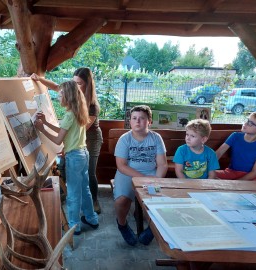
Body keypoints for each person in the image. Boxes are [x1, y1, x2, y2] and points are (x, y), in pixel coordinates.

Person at [31, 68, 103, 214]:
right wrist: (39, 79)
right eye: (74, 82)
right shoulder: (72, 103)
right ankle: (85, 208)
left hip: (90, 138)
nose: (75, 86)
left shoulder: (90, 106)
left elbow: (79, 129)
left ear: (87, 85)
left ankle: (92, 202)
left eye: (79, 84)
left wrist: (46, 129)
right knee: (68, 169)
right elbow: (57, 87)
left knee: (89, 172)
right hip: (76, 141)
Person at [113, 105, 168, 246]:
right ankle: (122, 224)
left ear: (149, 121)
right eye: (134, 118)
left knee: (160, 201)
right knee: (121, 200)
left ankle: (153, 229)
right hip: (127, 174)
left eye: (142, 118)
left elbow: (162, 164)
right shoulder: (125, 139)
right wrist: (142, 179)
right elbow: (122, 165)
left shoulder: (156, 138)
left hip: (151, 174)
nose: (137, 121)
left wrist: (157, 179)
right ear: (130, 121)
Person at [215, 111, 256, 180]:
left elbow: (255, 172)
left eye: (250, 123)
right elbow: (218, 153)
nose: (245, 123)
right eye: (247, 120)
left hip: (252, 176)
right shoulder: (235, 136)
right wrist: (207, 169)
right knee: (208, 174)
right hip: (231, 172)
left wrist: (236, 183)